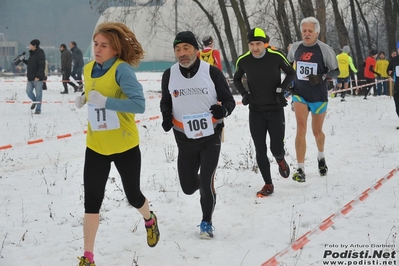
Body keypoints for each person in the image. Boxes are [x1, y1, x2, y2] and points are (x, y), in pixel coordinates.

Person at [74, 22, 160, 266]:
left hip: (124, 146)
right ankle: (88, 257)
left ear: (115, 50)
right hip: (96, 146)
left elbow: (139, 104)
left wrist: (107, 102)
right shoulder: (88, 69)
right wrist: (84, 97)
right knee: (92, 201)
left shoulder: (123, 71)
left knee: (133, 196)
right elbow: (93, 91)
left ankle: (149, 219)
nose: (98, 49)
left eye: (104, 46)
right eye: (96, 44)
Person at [160, 31, 235, 239]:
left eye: (186, 48)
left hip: (211, 136)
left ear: (196, 50)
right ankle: (203, 182)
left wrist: (224, 111)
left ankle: (206, 222)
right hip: (184, 140)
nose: (182, 53)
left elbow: (229, 101)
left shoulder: (211, 73)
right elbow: (166, 101)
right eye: (177, 49)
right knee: (187, 187)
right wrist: (166, 116)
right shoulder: (169, 74)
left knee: (205, 183)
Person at [233, 27, 295, 197]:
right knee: (260, 149)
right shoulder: (244, 60)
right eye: (251, 44)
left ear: (264, 44)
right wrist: (245, 94)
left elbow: (291, 73)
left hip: (275, 110)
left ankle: (281, 160)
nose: (255, 48)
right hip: (256, 111)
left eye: (258, 44)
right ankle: (268, 184)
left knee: (276, 149)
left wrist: (282, 89)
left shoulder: (276, 56)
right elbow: (236, 79)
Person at [287, 16, 339, 182]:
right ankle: (300, 170)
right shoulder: (295, 47)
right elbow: (288, 67)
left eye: (310, 31)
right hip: (300, 94)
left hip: (318, 95)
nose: (307, 34)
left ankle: (321, 157)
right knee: (301, 127)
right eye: (304, 31)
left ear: (317, 32)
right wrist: (288, 84)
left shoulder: (325, 49)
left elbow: (336, 71)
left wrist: (322, 77)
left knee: (317, 131)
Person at [23, 39, 46, 114]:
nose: (29, 46)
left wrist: (38, 76)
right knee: (28, 91)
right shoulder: (32, 54)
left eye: (30, 45)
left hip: (37, 78)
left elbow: (42, 66)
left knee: (39, 94)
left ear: (34, 46)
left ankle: (38, 110)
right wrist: (23, 60)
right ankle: (35, 101)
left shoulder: (40, 54)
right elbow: (30, 64)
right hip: (30, 77)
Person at [387, 43, 399, 129]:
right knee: (397, 106)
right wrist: (389, 72)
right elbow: (389, 69)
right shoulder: (394, 60)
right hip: (397, 86)